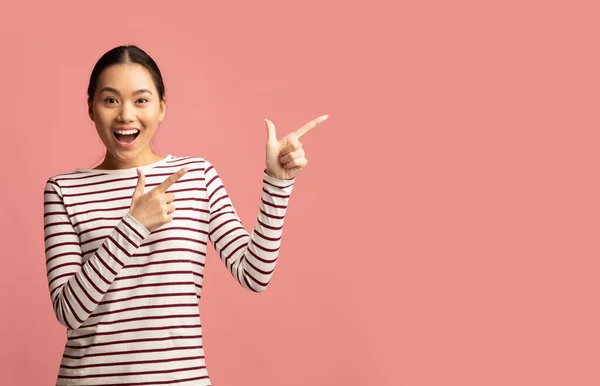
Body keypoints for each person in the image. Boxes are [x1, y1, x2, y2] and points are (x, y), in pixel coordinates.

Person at [42, 44, 328, 385]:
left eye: (141, 100)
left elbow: (254, 274)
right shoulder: (63, 189)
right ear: (91, 108)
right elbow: (69, 312)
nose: (125, 115)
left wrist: (278, 186)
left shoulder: (197, 177)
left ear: (162, 108)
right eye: (110, 100)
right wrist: (134, 225)